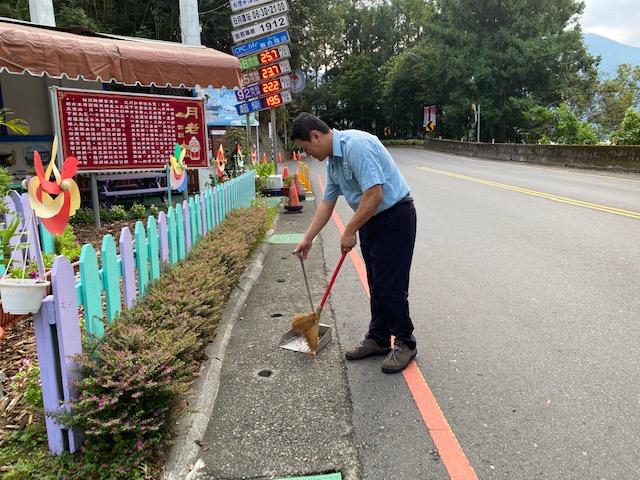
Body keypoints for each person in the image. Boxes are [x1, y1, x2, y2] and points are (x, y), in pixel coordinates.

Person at [290, 113, 417, 374]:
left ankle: (405, 342)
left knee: (390, 284)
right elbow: (327, 203)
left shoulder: (355, 146)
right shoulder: (333, 164)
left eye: (306, 148)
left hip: (394, 217)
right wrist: (307, 238)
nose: (308, 154)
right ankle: (379, 338)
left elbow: (374, 193)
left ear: (315, 136)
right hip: (370, 220)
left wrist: (349, 229)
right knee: (376, 282)